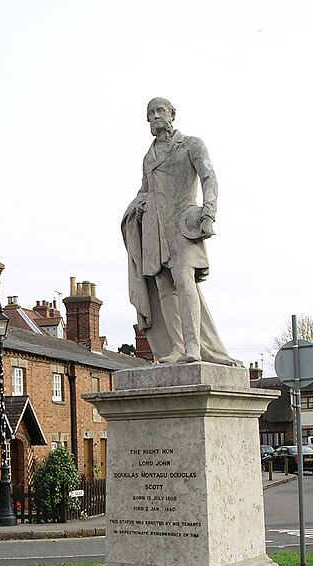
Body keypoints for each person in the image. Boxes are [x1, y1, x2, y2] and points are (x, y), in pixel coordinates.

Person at [122, 97, 239, 366]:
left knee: (186, 284)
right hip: (154, 229)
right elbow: (144, 190)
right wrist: (139, 204)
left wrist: (209, 213)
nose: (154, 116)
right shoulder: (148, 156)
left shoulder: (191, 144)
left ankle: (193, 348)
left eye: (160, 111)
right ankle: (176, 347)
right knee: (164, 287)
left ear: (172, 114)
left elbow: (209, 177)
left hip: (183, 225)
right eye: (150, 113)